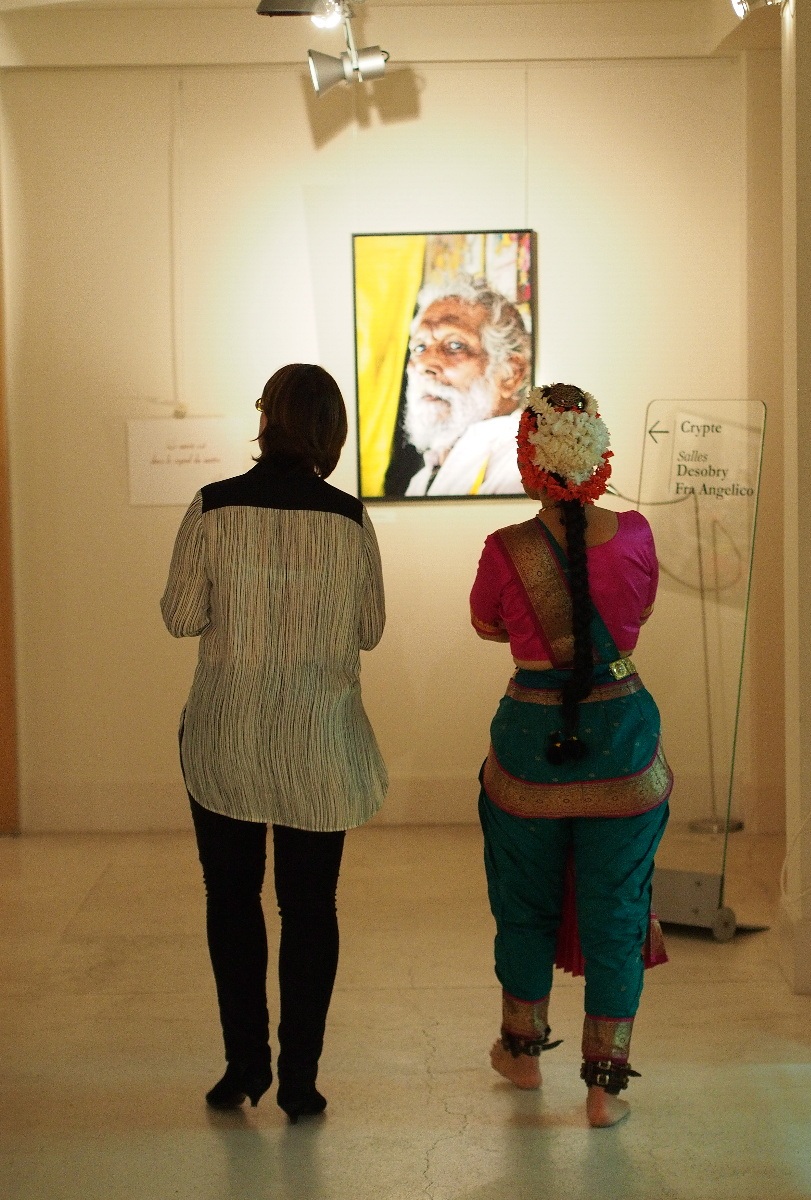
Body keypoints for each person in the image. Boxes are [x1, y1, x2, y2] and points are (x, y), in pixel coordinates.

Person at [161, 364, 387, 1122]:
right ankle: (300, 1081)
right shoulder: (350, 518)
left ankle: (243, 1066)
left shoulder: (213, 505)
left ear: (266, 418)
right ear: (332, 430)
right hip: (319, 741)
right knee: (310, 906)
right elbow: (370, 630)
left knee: (230, 898)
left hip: (224, 734)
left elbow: (181, 617)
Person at [469, 382, 672, 1128]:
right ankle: (603, 1090)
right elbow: (639, 611)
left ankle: (522, 1054)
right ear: (598, 457)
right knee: (617, 914)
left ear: (531, 461)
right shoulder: (637, 534)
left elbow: (486, 624)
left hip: (530, 753)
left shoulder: (506, 549)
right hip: (623, 748)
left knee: (523, 907)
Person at [394, 276, 532, 497]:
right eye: (419, 347)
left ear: (510, 374)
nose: (424, 365)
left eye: (454, 345)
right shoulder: (425, 475)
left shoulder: (525, 464)